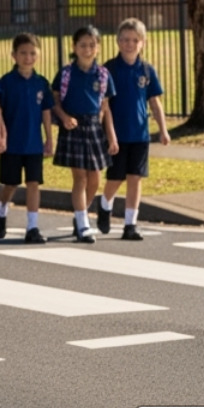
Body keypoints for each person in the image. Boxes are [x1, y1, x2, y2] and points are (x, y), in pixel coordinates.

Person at [99, 18, 170, 240]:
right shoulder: (109, 69)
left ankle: (130, 224)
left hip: (140, 134)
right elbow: (104, 104)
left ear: (143, 43)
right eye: (125, 40)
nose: (130, 44)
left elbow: (154, 102)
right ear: (118, 41)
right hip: (117, 134)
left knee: (135, 177)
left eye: (135, 40)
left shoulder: (147, 70)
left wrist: (163, 129)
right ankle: (104, 204)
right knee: (116, 177)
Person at [51, 25, 119, 244]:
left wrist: (112, 136)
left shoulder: (103, 75)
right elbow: (55, 101)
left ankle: (80, 214)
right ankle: (83, 224)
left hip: (94, 128)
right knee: (79, 177)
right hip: (73, 126)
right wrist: (63, 117)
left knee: (95, 179)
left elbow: (105, 108)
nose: (87, 49)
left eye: (91, 45)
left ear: (98, 48)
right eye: (82, 45)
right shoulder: (66, 73)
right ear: (74, 47)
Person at [0, 33, 55, 243]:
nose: (28, 57)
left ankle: (32, 227)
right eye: (23, 53)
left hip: (33, 143)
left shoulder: (41, 83)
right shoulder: (5, 83)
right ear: (14, 56)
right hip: (12, 144)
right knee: (11, 184)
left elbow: (45, 112)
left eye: (32, 53)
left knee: (34, 183)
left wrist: (49, 138)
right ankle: (1, 209)